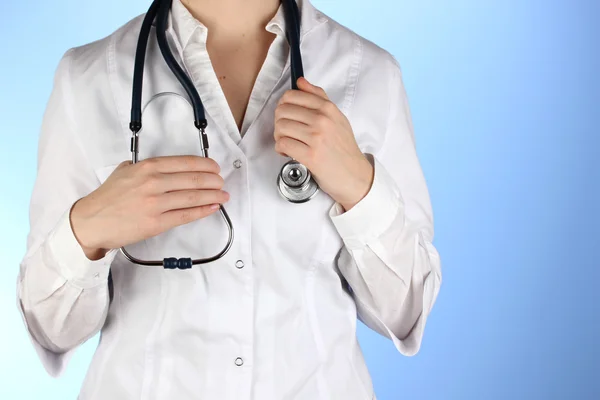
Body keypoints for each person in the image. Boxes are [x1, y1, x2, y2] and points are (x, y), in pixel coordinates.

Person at [16, 0, 442, 398]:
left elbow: (406, 314)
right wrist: (89, 229)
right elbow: (51, 329)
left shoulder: (366, 74)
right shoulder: (88, 78)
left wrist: (359, 187)